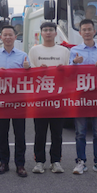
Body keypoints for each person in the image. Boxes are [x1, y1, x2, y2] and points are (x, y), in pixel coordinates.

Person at [0, 24, 31, 177]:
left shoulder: (23, 55)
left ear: (15, 37)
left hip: (18, 99)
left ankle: (20, 164)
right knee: (2, 133)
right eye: (5, 35)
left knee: (20, 134)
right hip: (1, 99)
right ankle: (3, 163)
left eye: (10, 35)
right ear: (1, 37)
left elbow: (30, 78)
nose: (7, 37)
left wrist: (27, 69)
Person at [27, 21, 69, 174]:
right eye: (45, 30)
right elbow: (29, 73)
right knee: (40, 132)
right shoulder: (34, 50)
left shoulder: (64, 51)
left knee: (57, 132)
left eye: (51, 30)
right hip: (40, 98)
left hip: (58, 98)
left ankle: (56, 161)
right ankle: (39, 161)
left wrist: (62, 71)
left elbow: (69, 73)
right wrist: (39, 70)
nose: (48, 32)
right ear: (41, 33)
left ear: (56, 33)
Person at [69, 18, 97, 175]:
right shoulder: (74, 51)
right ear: (80, 33)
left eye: (89, 29)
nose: (87, 32)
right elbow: (68, 74)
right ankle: (81, 162)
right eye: (84, 30)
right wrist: (75, 62)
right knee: (80, 132)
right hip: (81, 96)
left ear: (94, 31)